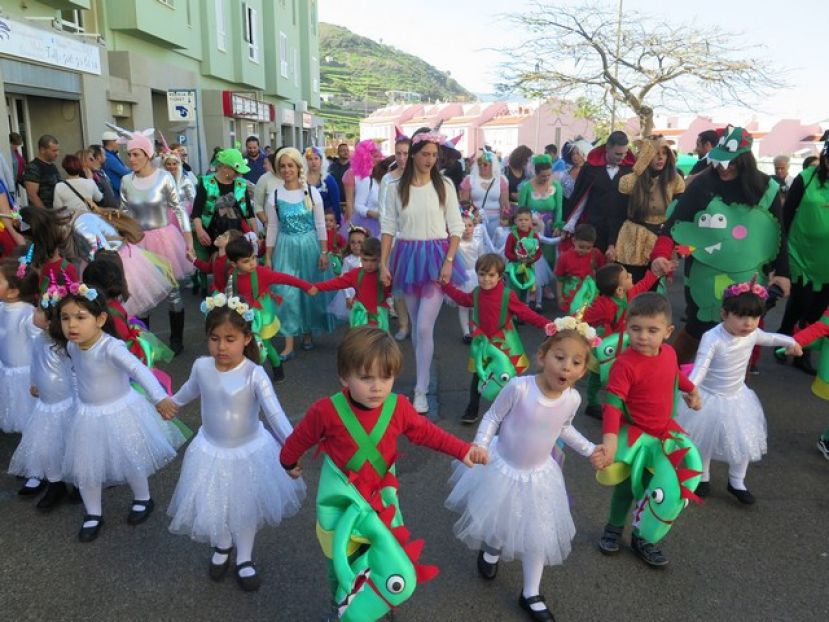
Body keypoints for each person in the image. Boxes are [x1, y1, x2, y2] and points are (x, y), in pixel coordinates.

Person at [279, 327, 486, 619]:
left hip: (380, 501)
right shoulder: (326, 411)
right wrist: (288, 461)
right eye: (366, 378)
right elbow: (300, 438)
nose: (377, 387)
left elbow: (428, 433)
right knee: (340, 559)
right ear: (344, 377)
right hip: (341, 503)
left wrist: (463, 450)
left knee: (384, 551)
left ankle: (377, 603)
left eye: (386, 377)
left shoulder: (398, 407)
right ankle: (342, 606)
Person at [446, 320, 604, 622]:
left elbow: (565, 428)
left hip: (539, 475)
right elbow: (493, 417)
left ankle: (531, 592)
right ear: (542, 356)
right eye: (560, 357)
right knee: (500, 517)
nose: (566, 368)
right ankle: (491, 549)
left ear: (583, 370)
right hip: (502, 466)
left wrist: (589, 449)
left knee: (538, 532)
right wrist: (479, 444)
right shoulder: (519, 388)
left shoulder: (573, 398)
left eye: (576, 362)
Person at [168, 296, 305, 591]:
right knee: (215, 502)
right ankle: (222, 544)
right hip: (210, 450)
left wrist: (292, 450)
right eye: (214, 338)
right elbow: (189, 390)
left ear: (246, 338)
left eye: (230, 339)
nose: (221, 347)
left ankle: (244, 556)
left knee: (244, 507)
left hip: (249, 452)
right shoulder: (202, 367)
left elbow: (275, 414)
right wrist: (171, 404)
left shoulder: (254, 374)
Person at [55, 280, 184, 542]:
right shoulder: (72, 346)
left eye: (80, 317)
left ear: (101, 319)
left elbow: (138, 370)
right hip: (88, 414)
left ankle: (143, 498)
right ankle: (93, 513)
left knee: (131, 457)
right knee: (86, 466)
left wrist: (159, 397)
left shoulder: (110, 347)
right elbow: (76, 374)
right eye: (65, 318)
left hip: (120, 411)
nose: (72, 325)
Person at [650, 126, 791, 364]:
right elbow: (674, 225)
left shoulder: (766, 188)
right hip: (705, 273)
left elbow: (777, 233)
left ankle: (731, 390)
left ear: (745, 161)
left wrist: (783, 273)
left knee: (739, 334)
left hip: (749, 275)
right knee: (698, 327)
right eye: (720, 162)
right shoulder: (702, 184)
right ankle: (670, 378)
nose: (723, 168)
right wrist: (660, 254)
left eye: (732, 163)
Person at [597, 293, 701, 567]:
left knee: (662, 488)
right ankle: (614, 527)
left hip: (665, 434)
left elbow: (674, 375)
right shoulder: (625, 364)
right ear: (627, 327)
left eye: (652, 330)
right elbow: (613, 405)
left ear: (668, 332)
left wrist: (691, 390)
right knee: (627, 488)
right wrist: (609, 441)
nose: (643, 336)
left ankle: (644, 537)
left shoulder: (669, 353)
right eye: (636, 329)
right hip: (637, 438)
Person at [676, 281, 801, 504]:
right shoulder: (713, 337)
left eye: (754, 317)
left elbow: (771, 338)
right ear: (724, 313)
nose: (748, 323)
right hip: (709, 396)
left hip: (737, 397)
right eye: (741, 316)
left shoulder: (752, 334)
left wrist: (791, 340)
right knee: (704, 439)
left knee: (744, 441)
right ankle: (702, 477)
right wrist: (691, 388)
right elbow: (701, 366)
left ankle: (737, 481)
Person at [380, 128, 465, 413]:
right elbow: (388, 228)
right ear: (413, 154)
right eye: (425, 154)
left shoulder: (445, 186)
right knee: (417, 326)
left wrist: (450, 260)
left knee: (426, 326)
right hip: (407, 257)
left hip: (437, 256)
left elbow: (456, 226)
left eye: (434, 155)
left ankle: (421, 388)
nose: (430, 160)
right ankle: (420, 379)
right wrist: (383, 262)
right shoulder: (394, 188)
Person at [443, 253, 551, 424]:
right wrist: (446, 286)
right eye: (482, 274)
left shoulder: (507, 295)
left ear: (500, 276)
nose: (486, 279)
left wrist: (546, 324)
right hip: (483, 344)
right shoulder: (477, 292)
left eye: (491, 275)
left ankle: (514, 408)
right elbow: (463, 299)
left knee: (509, 377)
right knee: (479, 375)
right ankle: (473, 408)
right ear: (477, 274)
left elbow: (525, 312)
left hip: (505, 343)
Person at [119, 129, 195, 353]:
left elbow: (179, 210)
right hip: (137, 242)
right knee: (140, 295)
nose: (131, 159)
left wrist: (188, 241)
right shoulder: (125, 181)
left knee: (173, 293)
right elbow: (123, 213)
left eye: (136, 154)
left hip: (164, 240)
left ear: (148, 154)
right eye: (129, 154)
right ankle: (145, 342)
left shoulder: (164, 178)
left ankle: (177, 339)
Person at [264, 147, 336, 358]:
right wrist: (268, 255)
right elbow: (273, 228)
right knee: (286, 293)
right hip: (285, 247)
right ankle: (288, 342)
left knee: (308, 288)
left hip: (309, 246)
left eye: (290, 166)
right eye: (282, 166)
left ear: (298, 168)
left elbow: (321, 224)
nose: (286, 170)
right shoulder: (274, 195)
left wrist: (324, 252)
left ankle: (307, 332)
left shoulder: (312, 193)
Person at [8, 302, 75, 510]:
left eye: (38, 310)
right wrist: (34, 382)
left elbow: (74, 372)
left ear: (50, 320)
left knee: (72, 445)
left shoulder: (65, 345)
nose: (33, 312)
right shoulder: (38, 340)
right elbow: (35, 363)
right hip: (45, 406)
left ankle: (81, 484)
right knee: (45, 447)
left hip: (67, 405)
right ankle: (55, 484)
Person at [224, 236, 313, 381]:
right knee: (244, 344)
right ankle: (249, 374)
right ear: (234, 264)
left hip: (261, 314)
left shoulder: (261, 273)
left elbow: (285, 278)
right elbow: (229, 291)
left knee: (262, 345)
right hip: (242, 313)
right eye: (246, 261)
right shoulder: (232, 275)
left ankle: (277, 368)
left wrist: (307, 286)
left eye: (253, 258)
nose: (252, 263)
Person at [775, 138, 829, 375]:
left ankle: (800, 346)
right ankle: (786, 340)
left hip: (827, 262)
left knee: (818, 308)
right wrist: (779, 253)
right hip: (800, 254)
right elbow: (786, 214)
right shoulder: (805, 178)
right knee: (801, 301)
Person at [613, 138, 685, 282]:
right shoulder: (629, 181)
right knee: (632, 284)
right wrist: (611, 243)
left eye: (664, 153)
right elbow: (617, 215)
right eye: (655, 153)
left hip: (661, 238)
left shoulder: (675, 180)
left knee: (656, 287)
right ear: (645, 155)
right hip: (633, 238)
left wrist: (677, 243)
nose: (660, 157)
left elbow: (678, 216)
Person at [564, 131, 636, 255]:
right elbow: (580, 198)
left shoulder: (631, 170)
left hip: (621, 228)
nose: (622, 157)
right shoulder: (590, 168)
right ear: (607, 148)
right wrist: (570, 224)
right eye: (618, 154)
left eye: (624, 153)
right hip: (594, 227)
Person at [309, 236, 391, 330]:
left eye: (373, 260)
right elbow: (336, 283)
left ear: (380, 258)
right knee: (358, 343)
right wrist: (317, 287)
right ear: (360, 257)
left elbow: (397, 291)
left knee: (378, 343)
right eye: (365, 259)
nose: (369, 264)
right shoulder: (356, 274)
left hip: (379, 319)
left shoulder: (384, 275)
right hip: (360, 319)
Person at [378, 132, 412, 342]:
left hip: (416, 238)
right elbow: (384, 213)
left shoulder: (419, 178)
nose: (402, 158)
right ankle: (403, 323)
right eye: (398, 153)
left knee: (416, 286)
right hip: (397, 239)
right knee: (398, 284)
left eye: (406, 153)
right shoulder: (388, 180)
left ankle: (418, 323)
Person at [0, 257, 39, 437]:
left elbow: (39, 347)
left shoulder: (28, 314)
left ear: (13, 292)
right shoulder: (2, 306)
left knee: (23, 409)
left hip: (23, 373)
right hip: (5, 366)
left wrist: (39, 378)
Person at [451, 210, 495, 342]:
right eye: (463, 226)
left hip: (476, 277)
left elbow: (482, 259)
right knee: (463, 305)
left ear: (474, 226)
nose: (467, 229)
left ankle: (475, 330)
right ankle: (466, 332)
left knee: (476, 305)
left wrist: (486, 274)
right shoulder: (457, 243)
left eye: (470, 225)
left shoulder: (477, 242)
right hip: (461, 277)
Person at [554, 223, 606, 312]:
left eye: (588, 248)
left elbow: (603, 271)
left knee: (589, 317)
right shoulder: (564, 257)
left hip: (590, 293)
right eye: (581, 247)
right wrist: (560, 297)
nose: (584, 251)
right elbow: (559, 279)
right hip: (571, 293)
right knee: (572, 319)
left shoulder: (596, 253)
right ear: (573, 241)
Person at [460, 149, 510, 237]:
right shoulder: (470, 179)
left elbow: (505, 204)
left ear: (492, 165)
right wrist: (474, 214)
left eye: (485, 164)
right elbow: (464, 202)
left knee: (493, 245)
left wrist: (505, 219)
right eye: (479, 164)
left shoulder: (501, 180)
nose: (482, 166)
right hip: (476, 219)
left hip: (495, 219)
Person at [326, 225, 367, 322]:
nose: (356, 245)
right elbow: (343, 279)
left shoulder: (368, 259)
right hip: (352, 292)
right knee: (355, 318)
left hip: (366, 291)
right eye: (353, 242)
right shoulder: (348, 260)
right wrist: (348, 297)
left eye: (360, 242)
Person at [349, 139, 384, 237]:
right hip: (369, 225)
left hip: (381, 225)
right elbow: (358, 205)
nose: (378, 159)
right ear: (365, 157)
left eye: (379, 156)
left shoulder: (381, 177)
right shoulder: (365, 179)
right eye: (374, 156)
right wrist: (374, 214)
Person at [23, 134, 61, 209]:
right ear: (42, 150)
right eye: (54, 150)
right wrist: (46, 214)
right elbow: (32, 195)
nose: (57, 153)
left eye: (58, 150)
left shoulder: (52, 166)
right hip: (42, 215)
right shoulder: (33, 167)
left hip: (55, 211)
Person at [305, 146, 342, 225]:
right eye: (310, 159)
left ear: (321, 161)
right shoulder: (301, 179)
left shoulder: (329, 179)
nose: (313, 162)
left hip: (326, 222)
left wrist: (337, 222)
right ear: (306, 161)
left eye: (316, 158)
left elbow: (335, 203)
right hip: (306, 221)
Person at [162, 151, 196, 217]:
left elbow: (193, 200)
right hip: (165, 218)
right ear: (164, 166)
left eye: (174, 164)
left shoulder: (185, 181)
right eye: (168, 164)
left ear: (178, 165)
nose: (172, 166)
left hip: (183, 216)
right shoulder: (160, 181)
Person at [101, 130, 131, 194]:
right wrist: (139, 169)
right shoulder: (108, 157)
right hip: (115, 192)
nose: (119, 145)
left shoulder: (111, 155)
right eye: (118, 142)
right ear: (112, 142)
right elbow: (124, 172)